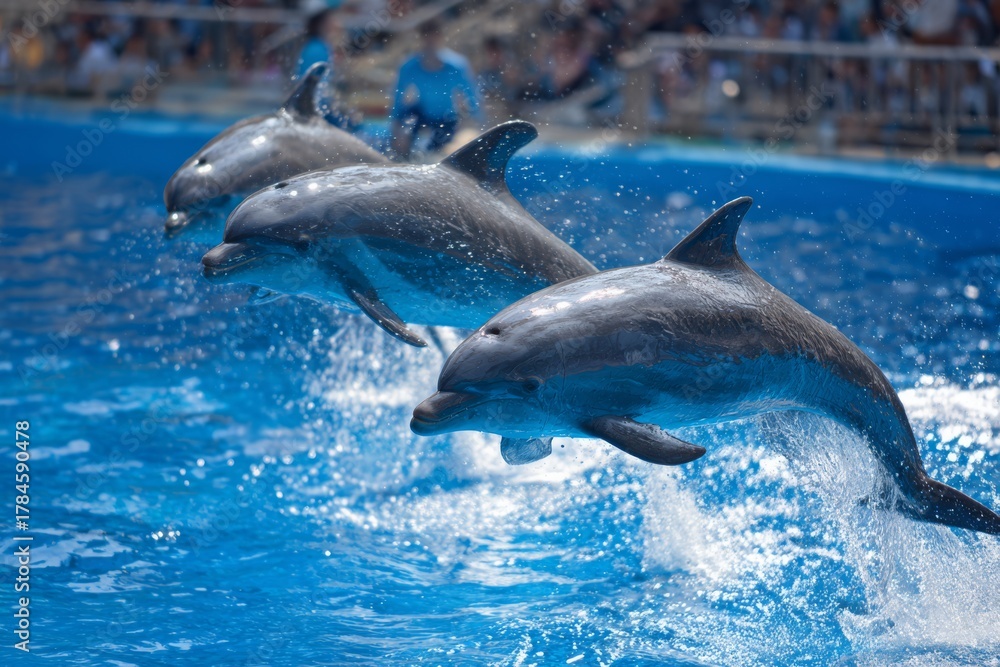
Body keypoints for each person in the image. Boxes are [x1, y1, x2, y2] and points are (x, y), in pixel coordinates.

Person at [389, 20, 481, 159]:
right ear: (421, 39)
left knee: (437, 154)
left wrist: (479, 125)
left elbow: (472, 98)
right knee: (404, 131)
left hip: (447, 117)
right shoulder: (410, 66)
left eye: (433, 38)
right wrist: (396, 130)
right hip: (421, 114)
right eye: (426, 38)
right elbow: (397, 100)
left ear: (440, 38)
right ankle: (403, 159)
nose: (430, 43)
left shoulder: (456, 66)